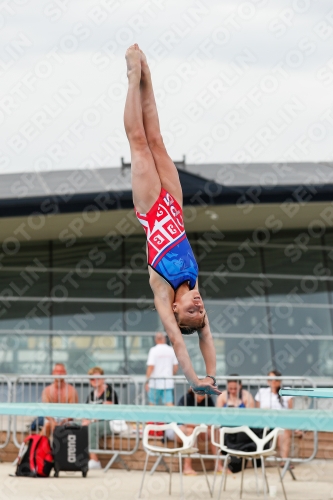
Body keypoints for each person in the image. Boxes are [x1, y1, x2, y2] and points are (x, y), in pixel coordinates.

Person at [124, 43, 220, 396]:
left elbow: (182, 346)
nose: (198, 304)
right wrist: (212, 374)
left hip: (151, 208)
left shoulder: (163, 294)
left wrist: (195, 380)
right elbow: (206, 337)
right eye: (201, 309)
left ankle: (133, 78)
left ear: (177, 311)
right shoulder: (192, 287)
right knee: (158, 141)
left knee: (138, 141)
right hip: (175, 206)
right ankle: (147, 76)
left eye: (192, 311)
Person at [167, 388, 222, 475]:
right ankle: (187, 467)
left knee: (215, 431)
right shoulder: (186, 399)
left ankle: (219, 466)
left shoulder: (208, 401)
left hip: (197, 429)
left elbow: (213, 420)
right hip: (176, 428)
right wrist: (202, 424)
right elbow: (185, 422)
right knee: (190, 431)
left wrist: (205, 424)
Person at [82, 366, 119, 470]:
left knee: (92, 427)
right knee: (74, 425)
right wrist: (85, 420)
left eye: (98, 378)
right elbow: (86, 411)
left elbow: (106, 412)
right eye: (92, 379)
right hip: (94, 421)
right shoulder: (91, 395)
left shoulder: (109, 391)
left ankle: (95, 461)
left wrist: (90, 420)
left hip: (110, 422)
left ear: (103, 378)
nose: (95, 381)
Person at [255, 369, 293, 466]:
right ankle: (257, 461)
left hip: (281, 423)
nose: (273, 382)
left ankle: (284, 461)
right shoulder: (262, 392)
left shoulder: (287, 391)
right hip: (264, 423)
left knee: (285, 432)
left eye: (275, 379)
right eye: (270, 379)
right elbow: (256, 410)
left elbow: (291, 411)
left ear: (279, 381)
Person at [40, 363, 78, 437]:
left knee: (67, 427)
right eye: (57, 371)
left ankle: (63, 448)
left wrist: (63, 422)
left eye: (61, 371)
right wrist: (52, 421)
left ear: (65, 373)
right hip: (51, 416)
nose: (59, 373)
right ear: (53, 373)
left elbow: (73, 412)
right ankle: (40, 447)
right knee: (47, 426)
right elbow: (45, 411)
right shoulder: (47, 390)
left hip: (66, 418)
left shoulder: (71, 390)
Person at [146, 332, 178, 405]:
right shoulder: (171, 350)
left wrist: (147, 381)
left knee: (152, 405)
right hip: (167, 382)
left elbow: (151, 367)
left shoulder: (153, 350)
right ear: (164, 339)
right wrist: (170, 375)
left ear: (156, 340)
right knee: (169, 404)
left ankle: (152, 417)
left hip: (155, 382)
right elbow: (176, 367)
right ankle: (172, 416)